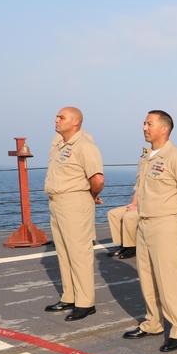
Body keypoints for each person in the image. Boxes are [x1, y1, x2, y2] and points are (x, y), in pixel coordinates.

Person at [123, 110, 177, 351]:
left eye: (149, 123)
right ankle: (152, 323)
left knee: (170, 279)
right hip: (145, 223)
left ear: (164, 129)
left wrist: (173, 207)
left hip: (166, 223)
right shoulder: (146, 158)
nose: (144, 127)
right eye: (144, 123)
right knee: (147, 277)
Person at [43, 106, 104, 322]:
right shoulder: (60, 145)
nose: (56, 120)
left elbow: (97, 180)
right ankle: (69, 296)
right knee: (64, 252)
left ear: (75, 122)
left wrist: (89, 196)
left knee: (79, 254)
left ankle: (85, 303)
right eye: (57, 116)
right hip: (57, 203)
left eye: (61, 117)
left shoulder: (84, 146)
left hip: (74, 202)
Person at [105, 147, 148, 259]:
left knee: (129, 217)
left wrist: (137, 207)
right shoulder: (142, 176)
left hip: (149, 207)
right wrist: (133, 204)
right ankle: (123, 244)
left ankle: (132, 246)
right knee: (113, 214)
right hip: (139, 205)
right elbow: (137, 190)